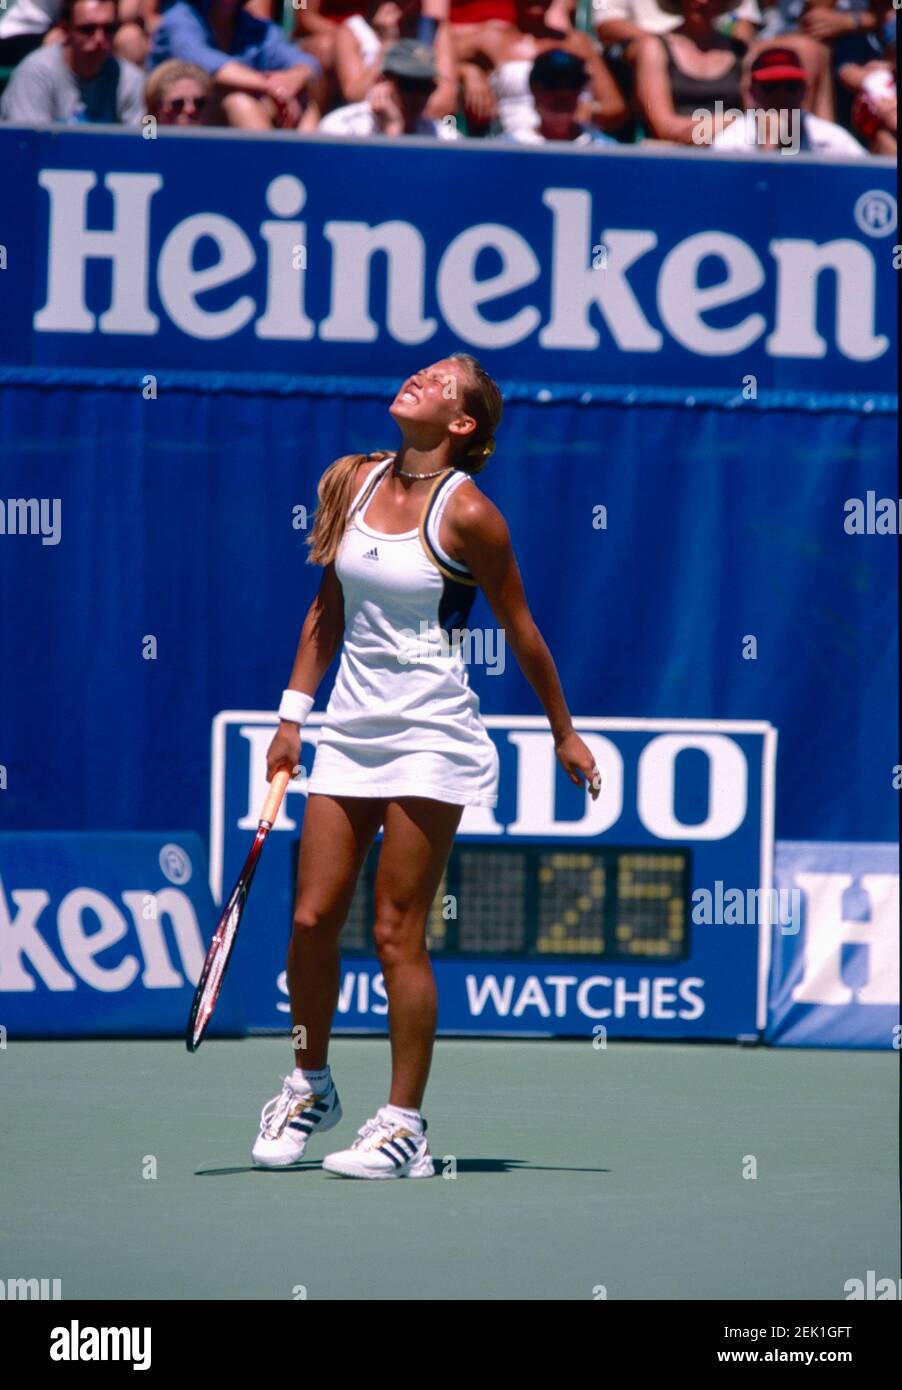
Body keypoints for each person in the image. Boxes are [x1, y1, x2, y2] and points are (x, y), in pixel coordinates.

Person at [251, 353, 603, 1180]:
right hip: (347, 729)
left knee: (394, 931)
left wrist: (564, 732)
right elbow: (327, 609)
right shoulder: (350, 481)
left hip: (432, 734)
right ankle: (309, 1084)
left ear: (462, 424)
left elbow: (520, 628)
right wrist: (292, 717)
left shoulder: (472, 513)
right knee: (310, 920)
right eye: (422, 371)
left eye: (440, 383)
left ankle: (404, 1125)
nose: (418, 379)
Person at [454, 0, 626, 137]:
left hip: (574, 142)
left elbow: (615, 107)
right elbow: (438, 64)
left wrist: (589, 110)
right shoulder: (492, 38)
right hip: (517, 147)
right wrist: (468, 72)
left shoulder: (577, 43)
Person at [149, 0, 323, 129]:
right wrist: (274, 88)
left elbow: (308, 63)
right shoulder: (180, 18)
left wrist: (294, 77)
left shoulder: (256, 27)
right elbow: (208, 66)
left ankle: (309, 171)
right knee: (239, 103)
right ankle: (267, 173)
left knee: (304, 102)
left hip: (236, 118)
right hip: (172, 126)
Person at [0, 0, 145, 123]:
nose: (100, 38)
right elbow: (30, 147)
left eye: (109, 29)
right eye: (87, 30)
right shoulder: (34, 75)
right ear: (65, 30)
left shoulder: (131, 79)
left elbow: (147, 140)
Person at [712, 41, 866, 149]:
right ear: (753, 92)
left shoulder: (830, 139)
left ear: (805, 90)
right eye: (770, 87)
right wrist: (768, 144)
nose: (782, 96)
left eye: (791, 86)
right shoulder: (732, 142)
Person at [633, 0, 747, 143]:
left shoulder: (742, 51)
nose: (703, 2)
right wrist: (734, 123)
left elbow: (759, 117)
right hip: (674, 159)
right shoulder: (653, 47)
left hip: (733, 155)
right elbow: (664, 128)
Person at [334, 1, 458, 118]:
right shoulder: (353, 30)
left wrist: (401, 117)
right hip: (369, 128)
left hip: (420, 128)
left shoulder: (433, 28)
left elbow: (446, 100)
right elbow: (355, 95)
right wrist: (388, 46)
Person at [319, 35, 457, 133]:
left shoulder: (440, 135)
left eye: (426, 87)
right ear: (382, 81)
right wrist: (392, 127)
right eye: (409, 85)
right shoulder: (342, 127)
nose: (418, 97)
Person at [507, 46, 619, 141]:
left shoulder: (606, 152)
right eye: (551, 84)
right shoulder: (507, 151)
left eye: (572, 84)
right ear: (534, 90)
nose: (563, 94)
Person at [144, 55, 211, 122]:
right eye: (178, 104)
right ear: (156, 111)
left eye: (200, 103)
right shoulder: (142, 132)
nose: (190, 110)